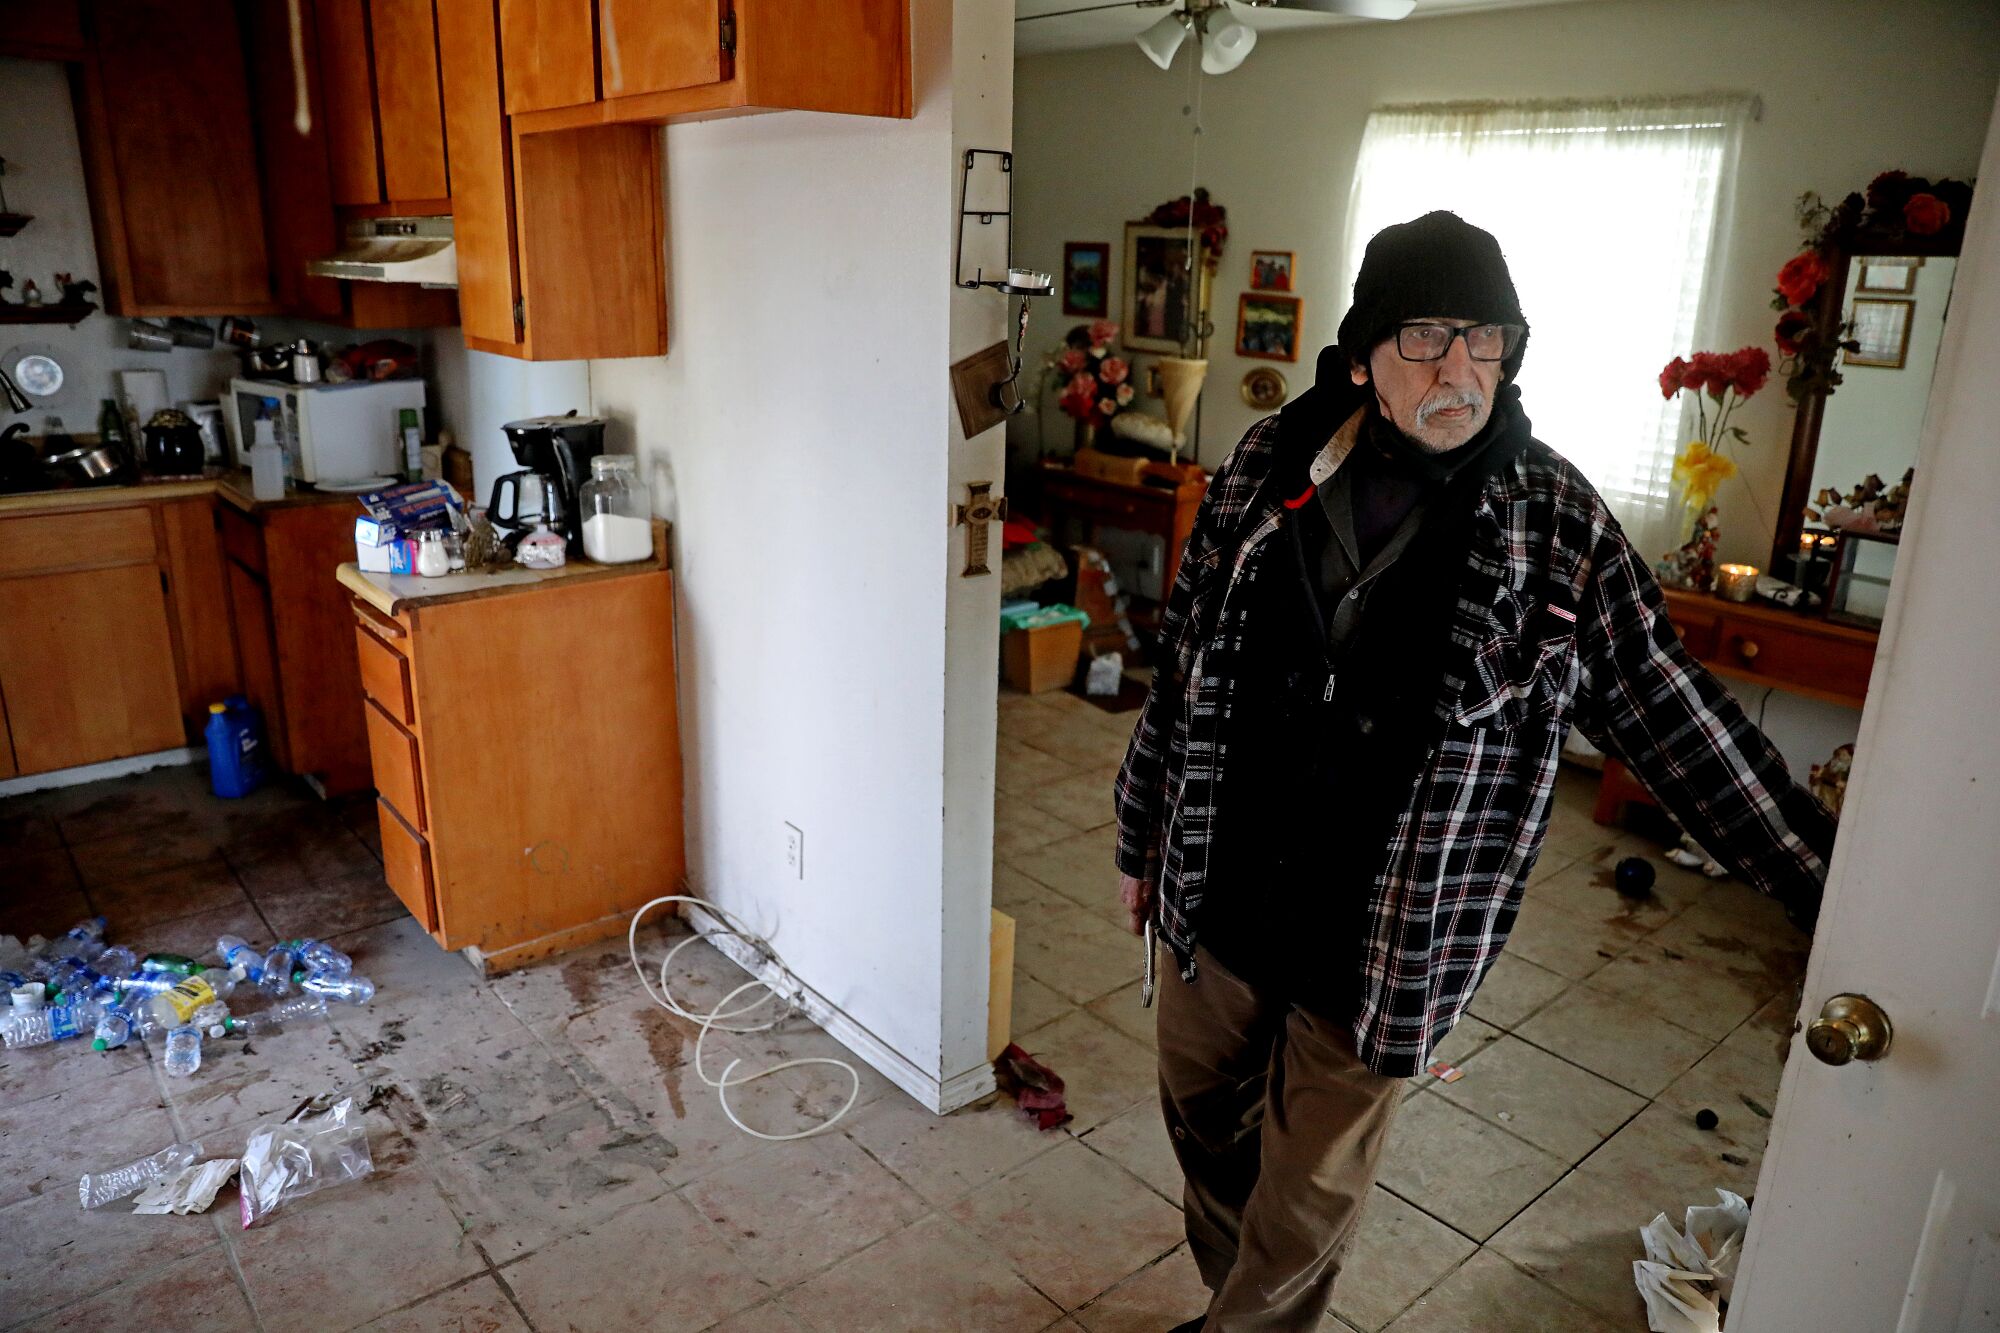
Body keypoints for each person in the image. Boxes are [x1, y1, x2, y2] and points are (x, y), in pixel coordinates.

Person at [1111, 210, 1834, 1332]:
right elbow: (1184, 661)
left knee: (1304, 1200)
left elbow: (1670, 712)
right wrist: (1136, 837)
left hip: (1389, 928)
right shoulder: (1268, 463)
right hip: (1221, 877)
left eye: (1485, 338)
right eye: (1427, 338)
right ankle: (1236, 1306)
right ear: (1362, 356)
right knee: (1202, 1118)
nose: (1460, 369)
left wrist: (1818, 881)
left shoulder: (1553, 521)